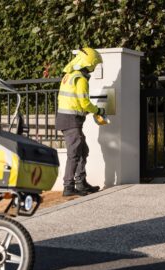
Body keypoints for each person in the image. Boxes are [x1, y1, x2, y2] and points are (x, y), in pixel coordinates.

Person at [56, 47, 105, 197]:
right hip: (71, 120)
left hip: (68, 119)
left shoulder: (70, 75)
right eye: (94, 64)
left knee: (83, 150)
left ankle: (81, 183)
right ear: (88, 63)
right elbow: (84, 103)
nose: (94, 68)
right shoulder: (80, 79)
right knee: (75, 153)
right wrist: (98, 110)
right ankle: (69, 186)